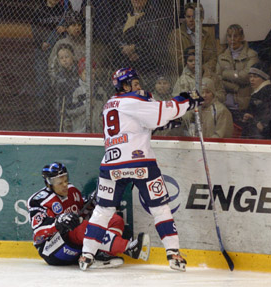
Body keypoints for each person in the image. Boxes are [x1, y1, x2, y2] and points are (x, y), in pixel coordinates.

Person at [79, 68, 202, 271]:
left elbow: (135, 124)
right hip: (140, 163)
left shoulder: (109, 104)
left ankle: (86, 256)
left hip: (111, 165)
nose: (140, 87)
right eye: (135, 84)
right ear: (125, 86)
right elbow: (164, 112)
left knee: (103, 210)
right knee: (160, 208)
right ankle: (174, 256)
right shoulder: (133, 101)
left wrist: (157, 124)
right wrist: (188, 100)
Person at [27, 162, 150, 269]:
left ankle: (101, 255)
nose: (64, 184)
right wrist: (58, 222)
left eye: (65, 179)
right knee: (81, 226)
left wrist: (91, 204)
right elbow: (38, 231)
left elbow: (82, 212)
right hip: (53, 250)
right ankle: (128, 248)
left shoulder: (72, 191)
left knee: (114, 219)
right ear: (49, 183)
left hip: (76, 245)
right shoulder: (39, 201)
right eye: (59, 182)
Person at [216, 24, 259, 137]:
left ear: (242, 37)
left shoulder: (251, 55)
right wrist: (234, 86)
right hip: (226, 105)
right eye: (230, 36)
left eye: (236, 36)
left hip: (244, 106)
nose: (232, 39)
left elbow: (246, 76)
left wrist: (225, 73)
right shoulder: (222, 57)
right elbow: (217, 79)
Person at [168, 2, 219, 73]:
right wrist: (194, 70)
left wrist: (203, 70)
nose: (191, 20)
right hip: (185, 75)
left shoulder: (207, 36)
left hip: (204, 74)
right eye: (188, 17)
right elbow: (177, 61)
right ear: (185, 17)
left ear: (201, 18)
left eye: (194, 17)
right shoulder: (176, 35)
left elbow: (213, 58)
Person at [66, 57, 107, 133]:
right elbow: (69, 109)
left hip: (98, 131)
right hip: (80, 131)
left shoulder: (100, 89)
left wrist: (102, 116)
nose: (90, 76)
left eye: (93, 73)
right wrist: (86, 104)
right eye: (86, 73)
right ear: (80, 74)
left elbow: (106, 106)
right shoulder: (75, 89)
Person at [242, 63, 271, 139]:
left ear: (264, 78)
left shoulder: (266, 93)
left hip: (262, 135)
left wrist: (254, 119)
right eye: (250, 76)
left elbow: (267, 114)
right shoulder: (257, 93)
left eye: (255, 77)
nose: (252, 79)